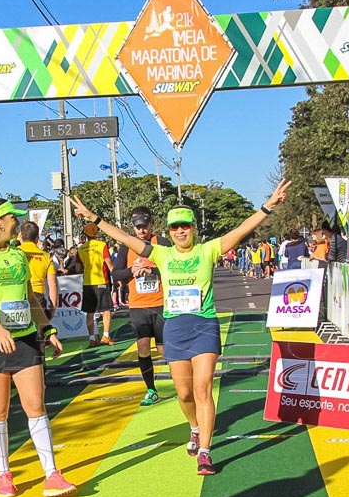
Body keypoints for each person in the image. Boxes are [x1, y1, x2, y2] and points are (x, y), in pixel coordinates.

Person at [70, 178, 291, 475]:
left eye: (185, 225)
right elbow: (124, 237)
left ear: (193, 228)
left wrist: (267, 206)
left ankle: (204, 451)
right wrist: (93, 218)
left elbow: (240, 230)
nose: (180, 231)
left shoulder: (208, 250)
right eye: (175, 227)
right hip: (174, 328)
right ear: (169, 232)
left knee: (202, 388)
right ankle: (195, 428)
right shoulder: (161, 253)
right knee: (184, 393)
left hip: (204, 326)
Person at [0, 198, 75, 497]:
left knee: (36, 406)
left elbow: (30, 298)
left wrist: (47, 329)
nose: (18, 224)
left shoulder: (18, 256)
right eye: (13, 218)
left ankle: (51, 473)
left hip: (24, 339)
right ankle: (4, 474)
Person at [111, 207, 172, 407]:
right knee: (143, 347)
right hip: (138, 306)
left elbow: (174, 267)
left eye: (144, 227)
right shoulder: (126, 247)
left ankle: (182, 384)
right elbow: (116, 274)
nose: (141, 231)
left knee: (165, 350)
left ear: (151, 225)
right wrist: (132, 270)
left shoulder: (161, 243)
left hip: (161, 304)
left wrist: (152, 269)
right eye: (137, 228)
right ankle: (151, 389)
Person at [78, 223, 114, 347]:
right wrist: (117, 276)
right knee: (106, 309)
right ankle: (105, 335)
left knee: (89, 312)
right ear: (97, 233)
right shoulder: (102, 245)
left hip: (87, 282)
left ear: (85, 234)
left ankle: (92, 339)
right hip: (102, 281)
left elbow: (78, 267)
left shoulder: (81, 248)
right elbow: (109, 264)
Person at [19, 222, 58, 319]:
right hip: (38, 296)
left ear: (21, 235)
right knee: (40, 331)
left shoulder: (14, 253)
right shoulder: (45, 256)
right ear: (37, 237)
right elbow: (53, 285)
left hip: (19, 295)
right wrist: (53, 308)